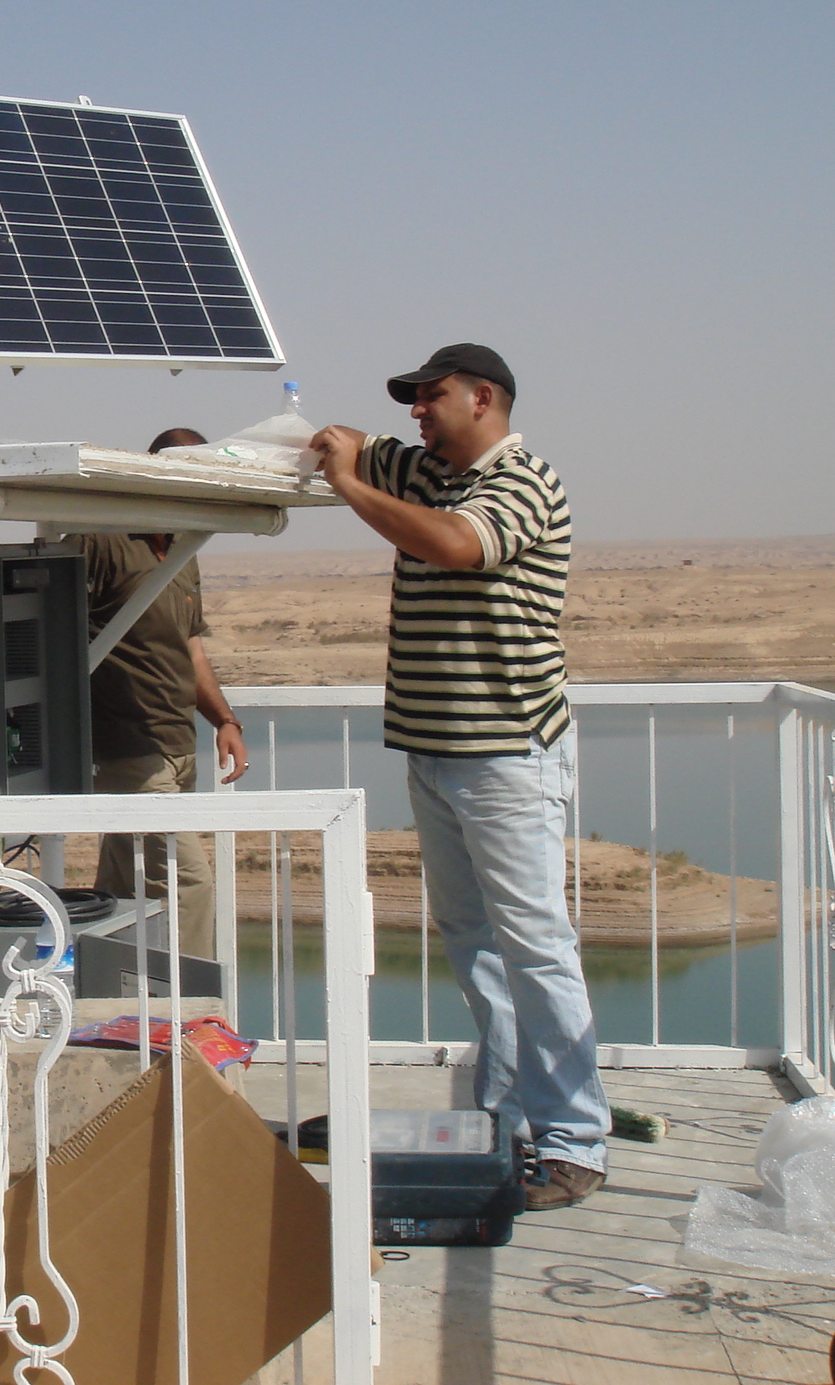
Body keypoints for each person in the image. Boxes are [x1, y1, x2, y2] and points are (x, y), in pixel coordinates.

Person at [309, 344, 609, 1210]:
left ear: (483, 398)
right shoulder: (426, 471)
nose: (416, 413)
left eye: (431, 397)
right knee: (475, 943)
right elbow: (349, 440)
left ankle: (575, 1142)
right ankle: (509, 1119)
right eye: (412, 401)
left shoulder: (522, 480)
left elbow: (454, 545)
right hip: (436, 752)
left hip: (507, 754)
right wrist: (325, 445)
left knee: (535, 945)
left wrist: (349, 486)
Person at [81, 428, 250, 960]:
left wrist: (225, 721)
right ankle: (196, 999)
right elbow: (50, 627)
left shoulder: (182, 547)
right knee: (187, 882)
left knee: (122, 882)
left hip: (176, 745)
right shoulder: (104, 539)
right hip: (129, 748)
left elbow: (190, 648)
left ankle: (108, 991)